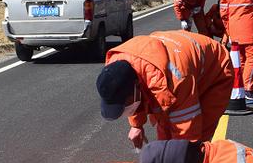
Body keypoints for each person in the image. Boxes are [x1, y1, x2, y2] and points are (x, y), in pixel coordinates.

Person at [96, 31, 234, 149]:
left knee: (195, 146)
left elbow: (187, 134)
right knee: (165, 136)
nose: (125, 108)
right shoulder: (117, 66)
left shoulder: (175, 80)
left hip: (216, 71)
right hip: (178, 63)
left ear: (137, 86)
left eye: (124, 105)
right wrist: (136, 125)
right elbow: (131, 93)